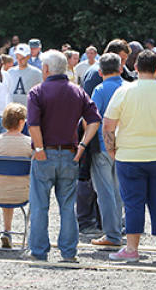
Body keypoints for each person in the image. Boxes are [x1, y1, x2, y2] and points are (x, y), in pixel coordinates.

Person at [103, 49, 156, 262]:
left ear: (136, 68)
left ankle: (132, 248)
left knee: (133, 203)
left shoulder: (124, 91)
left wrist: (111, 149)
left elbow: (108, 124)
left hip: (130, 156)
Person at [27, 50, 101, 262]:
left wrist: (39, 149)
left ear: (46, 69)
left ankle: (39, 251)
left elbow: (33, 125)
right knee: (68, 206)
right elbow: (94, 120)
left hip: (45, 153)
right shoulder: (77, 91)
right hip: (70, 153)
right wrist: (82, 146)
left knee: (40, 206)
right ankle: (68, 252)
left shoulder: (37, 92)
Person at [0, 103, 32, 248]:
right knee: (11, 183)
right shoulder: (29, 143)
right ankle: (7, 231)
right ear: (21, 122)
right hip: (22, 194)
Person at [88, 53, 126, 249]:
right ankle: (119, 228)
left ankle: (112, 233)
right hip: (125, 146)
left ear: (100, 71)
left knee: (105, 192)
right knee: (119, 191)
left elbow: (92, 118)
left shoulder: (100, 89)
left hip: (103, 146)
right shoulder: (128, 88)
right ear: (120, 69)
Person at [6, 44, 43, 113]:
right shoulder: (10, 72)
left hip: (29, 110)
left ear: (28, 57)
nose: (19, 61)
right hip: (13, 110)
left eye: (22, 58)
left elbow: (41, 92)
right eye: (17, 58)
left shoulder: (36, 73)